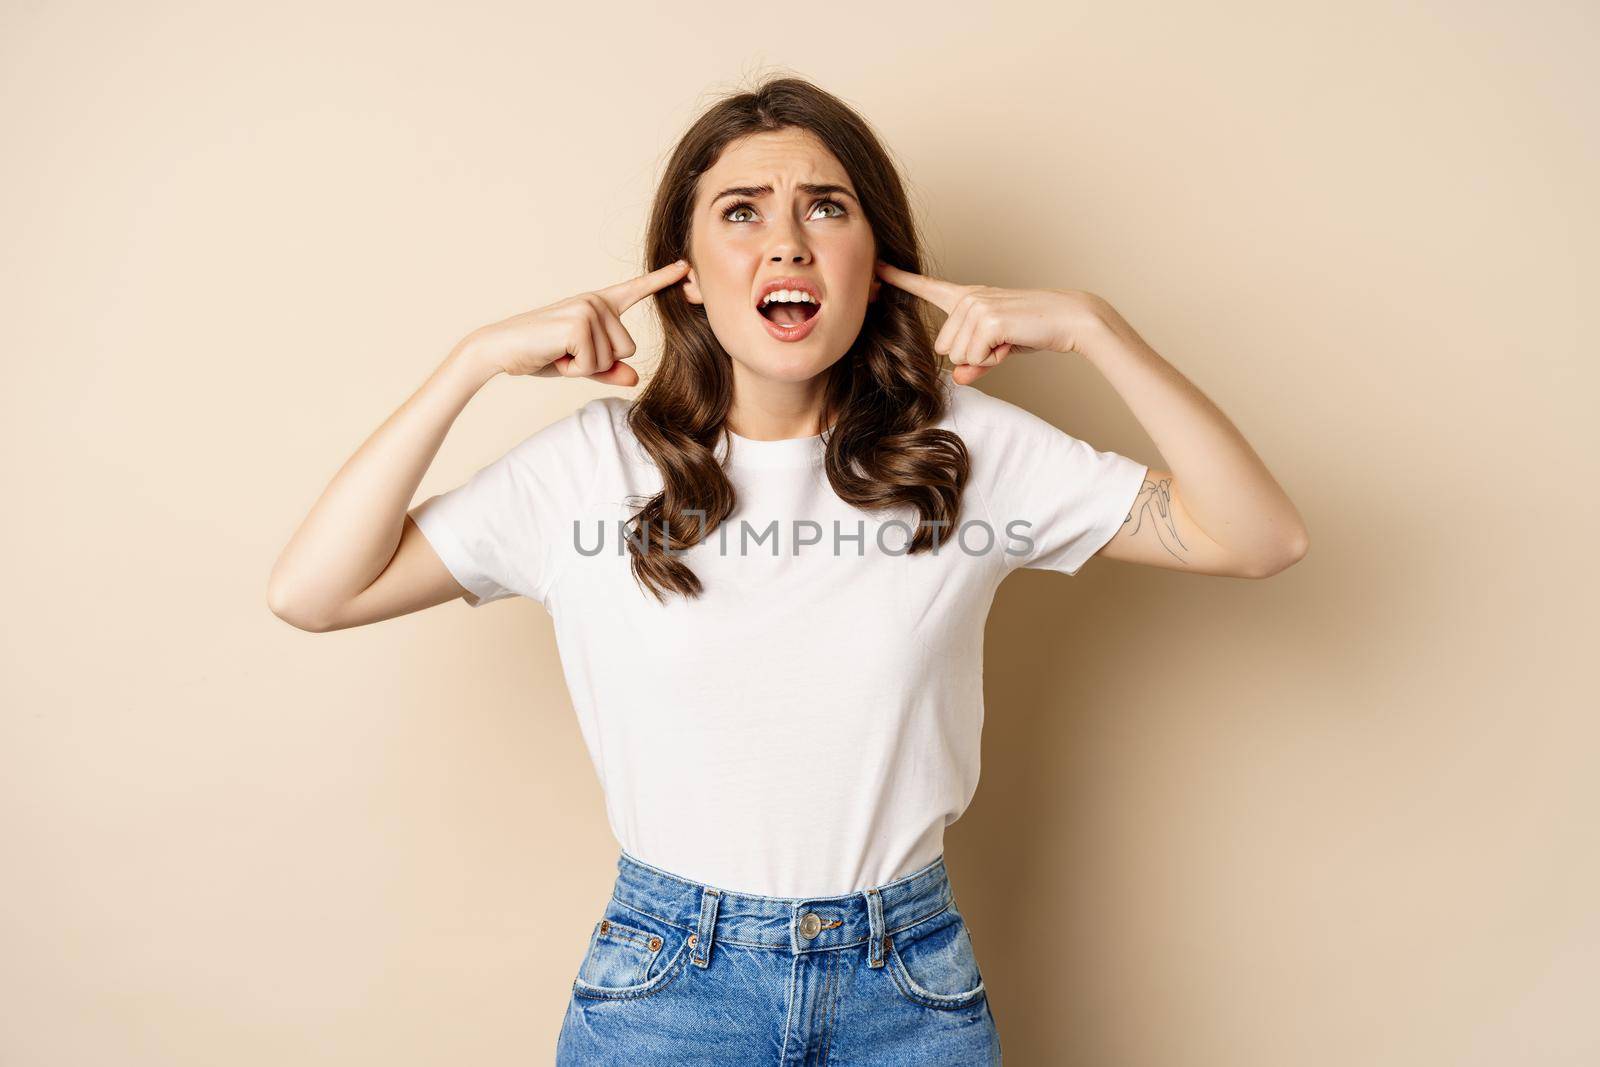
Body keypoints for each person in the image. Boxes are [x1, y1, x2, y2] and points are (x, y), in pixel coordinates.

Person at [267, 76, 1309, 1066]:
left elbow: (1258, 537)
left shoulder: (965, 451)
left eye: (825, 209)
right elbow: (315, 590)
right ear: (682, 269)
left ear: (877, 258)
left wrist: (1096, 328)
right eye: (739, 213)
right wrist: (473, 360)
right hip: (667, 986)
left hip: (908, 986)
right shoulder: (588, 470)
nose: (785, 244)